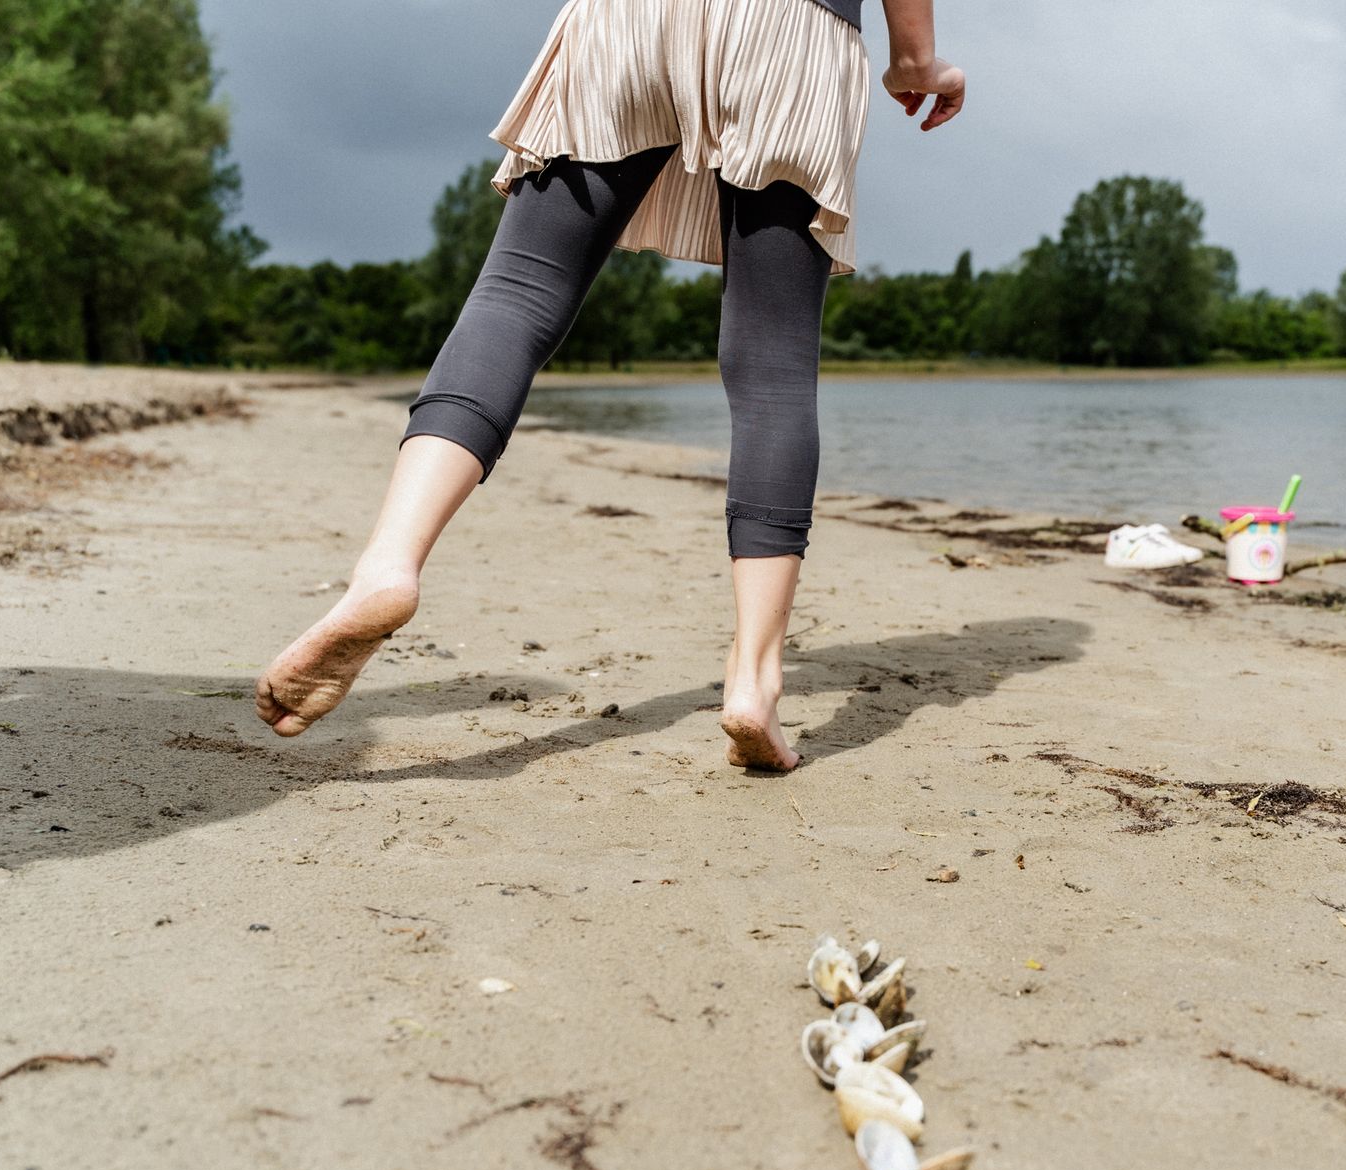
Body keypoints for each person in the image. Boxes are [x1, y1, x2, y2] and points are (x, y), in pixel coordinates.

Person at [254, 0, 965, 771]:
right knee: (773, 363)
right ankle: (754, 682)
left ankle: (387, 567)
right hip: (794, 27)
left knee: (516, 296)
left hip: (631, 18)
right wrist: (916, 61)